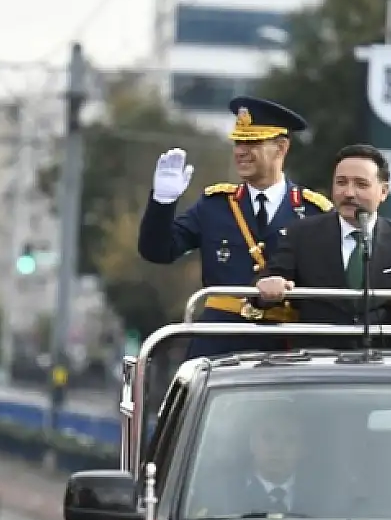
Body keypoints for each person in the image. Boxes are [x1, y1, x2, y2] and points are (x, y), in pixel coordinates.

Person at [137, 96, 332, 357]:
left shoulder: (313, 211)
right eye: (238, 142)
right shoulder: (215, 205)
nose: (241, 151)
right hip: (219, 344)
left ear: (281, 148)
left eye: (252, 142)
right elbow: (158, 251)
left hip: (285, 346)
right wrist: (163, 202)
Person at [253, 144, 391, 334]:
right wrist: (268, 287)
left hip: (379, 356)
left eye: (361, 184)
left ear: (384, 191)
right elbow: (265, 287)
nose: (349, 193)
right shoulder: (301, 234)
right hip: (318, 355)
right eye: (341, 182)